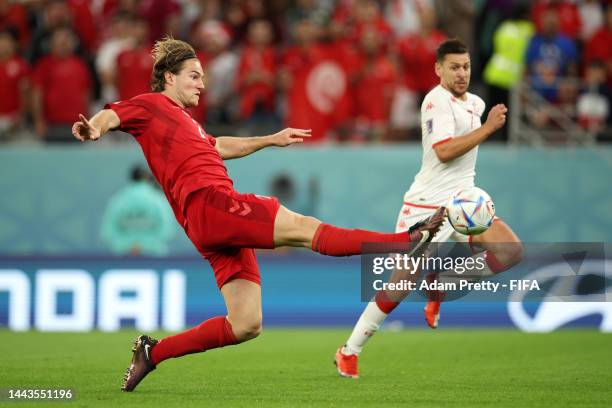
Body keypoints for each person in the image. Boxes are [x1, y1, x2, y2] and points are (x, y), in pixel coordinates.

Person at [71, 37, 446, 392]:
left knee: (246, 324)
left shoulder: (187, 123)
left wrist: (270, 139)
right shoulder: (152, 105)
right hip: (212, 203)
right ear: (169, 77)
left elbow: (220, 146)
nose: (203, 84)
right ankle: (405, 241)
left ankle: (153, 353)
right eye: (195, 76)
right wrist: (93, 129)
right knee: (305, 229)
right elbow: (111, 115)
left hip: (206, 225)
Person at [334, 39, 523, 379]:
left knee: (509, 251)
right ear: (438, 69)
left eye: (465, 66)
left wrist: (484, 124)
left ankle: (442, 282)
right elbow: (444, 152)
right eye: (454, 67)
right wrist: (489, 128)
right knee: (400, 285)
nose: (461, 73)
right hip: (427, 206)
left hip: (464, 200)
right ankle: (349, 350)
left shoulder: (476, 103)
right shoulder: (436, 101)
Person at [99, 164, 176, 256]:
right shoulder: (157, 199)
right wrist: (148, 244)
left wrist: (125, 244)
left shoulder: (118, 199)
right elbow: (167, 229)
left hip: (123, 256)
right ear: (147, 178)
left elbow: (108, 230)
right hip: (153, 255)